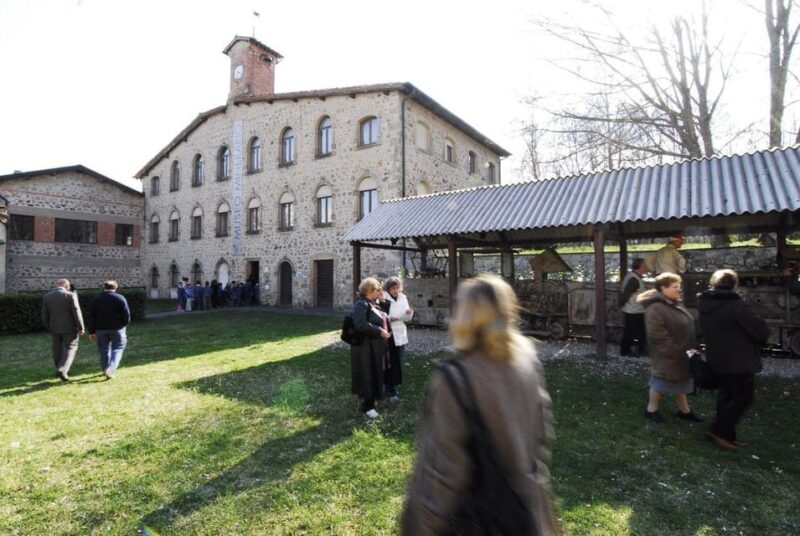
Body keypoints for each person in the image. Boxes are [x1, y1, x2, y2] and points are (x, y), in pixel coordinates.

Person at [401, 275, 556, 535]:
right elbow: (541, 435)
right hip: (526, 512)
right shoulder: (527, 361)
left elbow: (443, 472)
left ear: (463, 315)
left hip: (480, 520)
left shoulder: (455, 378)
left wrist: (419, 525)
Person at [697, 269, 769, 451]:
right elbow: (760, 332)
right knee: (743, 398)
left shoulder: (705, 304)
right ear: (734, 285)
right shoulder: (737, 306)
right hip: (739, 360)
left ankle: (726, 436)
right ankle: (717, 431)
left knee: (727, 397)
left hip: (717, 358)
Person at [638, 272, 704, 423]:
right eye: (675, 287)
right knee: (659, 382)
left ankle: (685, 411)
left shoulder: (674, 304)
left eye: (679, 286)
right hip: (668, 354)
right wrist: (675, 351)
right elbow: (657, 336)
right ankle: (651, 410)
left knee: (681, 380)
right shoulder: (655, 308)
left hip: (681, 352)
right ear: (663, 288)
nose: (679, 289)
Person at [350, 277, 392, 419]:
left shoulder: (372, 303)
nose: (379, 291)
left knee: (375, 373)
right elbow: (360, 323)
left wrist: (383, 301)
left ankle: (371, 400)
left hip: (374, 347)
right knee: (367, 374)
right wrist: (378, 331)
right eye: (377, 289)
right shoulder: (361, 304)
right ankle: (367, 406)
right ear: (369, 291)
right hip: (364, 348)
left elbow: (383, 317)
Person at [41, 278, 85, 381]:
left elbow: (44, 313)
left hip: (54, 327)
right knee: (71, 347)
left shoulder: (47, 296)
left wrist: (48, 326)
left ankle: (58, 369)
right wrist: (81, 327)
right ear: (66, 286)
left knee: (57, 348)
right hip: (70, 327)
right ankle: (63, 369)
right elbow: (76, 312)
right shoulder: (71, 295)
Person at [87, 280, 131, 380]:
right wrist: (123, 325)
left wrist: (91, 331)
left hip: (100, 329)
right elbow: (126, 316)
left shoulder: (96, 299)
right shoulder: (120, 298)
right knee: (118, 349)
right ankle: (110, 370)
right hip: (117, 329)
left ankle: (105, 369)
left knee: (103, 350)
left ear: (104, 287)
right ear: (116, 287)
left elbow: (91, 317)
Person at [381, 276, 414, 402]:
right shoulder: (383, 297)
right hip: (389, 334)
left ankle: (390, 386)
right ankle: (389, 390)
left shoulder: (403, 297)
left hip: (401, 333)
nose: (396, 291)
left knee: (397, 362)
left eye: (397, 288)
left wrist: (409, 313)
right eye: (393, 288)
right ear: (388, 288)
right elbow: (379, 315)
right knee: (390, 363)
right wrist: (390, 318)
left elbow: (407, 318)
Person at [618, 258, 648, 357]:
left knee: (639, 331)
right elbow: (626, 294)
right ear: (640, 267)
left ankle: (640, 349)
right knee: (630, 332)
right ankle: (625, 351)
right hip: (633, 310)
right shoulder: (634, 279)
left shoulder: (633, 277)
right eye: (644, 265)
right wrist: (621, 304)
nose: (646, 267)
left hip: (636, 309)